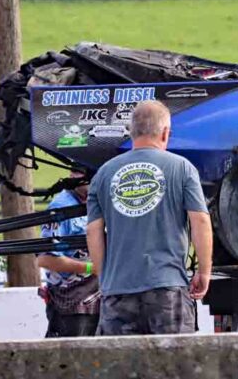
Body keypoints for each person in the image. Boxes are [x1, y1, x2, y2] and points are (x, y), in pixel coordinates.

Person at [86, 100, 213, 335]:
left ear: (131, 132)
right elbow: (201, 221)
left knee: (119, 368)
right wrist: (204, 271)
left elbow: (93, 231)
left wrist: (106, 277)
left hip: (117, 290)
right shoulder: (183, 168)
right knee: (174, 367)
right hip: (167, 286)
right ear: (165, 133)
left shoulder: (103, 174)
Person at [37, 170, 100, 337]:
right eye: (85, 175)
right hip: (71, 303)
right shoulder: (61, 207)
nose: (91, 181)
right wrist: (91, 268)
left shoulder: (98, 202)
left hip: (99, 299)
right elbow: (45, 258)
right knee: (72, 356)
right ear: (73, 175)